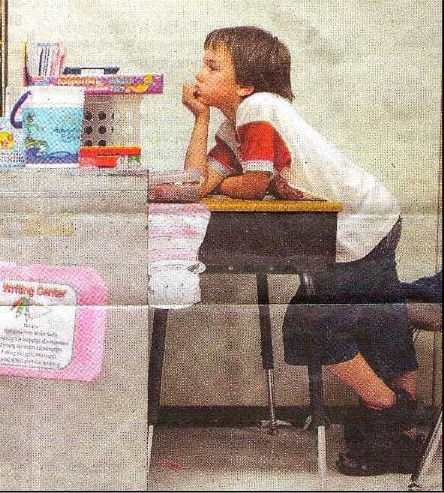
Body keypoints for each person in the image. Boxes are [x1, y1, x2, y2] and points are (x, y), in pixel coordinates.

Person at [181, 26, 423, 476]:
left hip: (359, 226)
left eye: (213, 66)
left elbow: (251, 186)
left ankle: (390, 414)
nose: (199, 73)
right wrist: (198, 120)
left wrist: (225, 184)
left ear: (245, 83)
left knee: (319, 323)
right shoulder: (235, 125)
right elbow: (193, 185)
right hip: (358, 222)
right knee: (378, 321)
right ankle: (399, 430)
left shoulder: (259, 109)